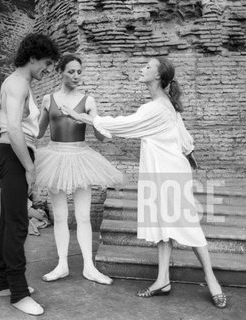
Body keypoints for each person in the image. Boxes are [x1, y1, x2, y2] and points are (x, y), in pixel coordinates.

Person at [61, 57, 227, 308]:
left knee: (188, 227)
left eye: (148, 67)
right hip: (160, 172)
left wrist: (80, 116)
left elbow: (123, 125)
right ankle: (162, 280)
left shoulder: (157, 108)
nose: (142, 69)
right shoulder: (163, 104)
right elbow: (182, 136)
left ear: (159, 76)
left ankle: (212, 280)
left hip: (169, 174)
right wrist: (189, 153)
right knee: (162, 226)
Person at [35, 54, 123, 285]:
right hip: (54, 158)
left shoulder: (88, 100)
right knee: (60, 215)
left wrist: (88, 119)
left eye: (79, 72)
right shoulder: (47, 99)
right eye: (71, 71)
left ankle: (89, 267)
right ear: (60, 72)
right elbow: (38, 132)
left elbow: (102, 138)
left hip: (81, 158)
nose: (76, 76)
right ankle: (62, 264)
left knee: (83, 217)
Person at [0, 33, 60, 316]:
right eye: (46, 63)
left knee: (8, 222)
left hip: (15, 153)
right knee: (19, 223)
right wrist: (29, 167)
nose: (47, 69)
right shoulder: (17, 83)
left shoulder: (20, 84)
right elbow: (13, 128)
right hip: (15, 153)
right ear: (32, 58)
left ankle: (2, 283)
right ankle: (19, 293)